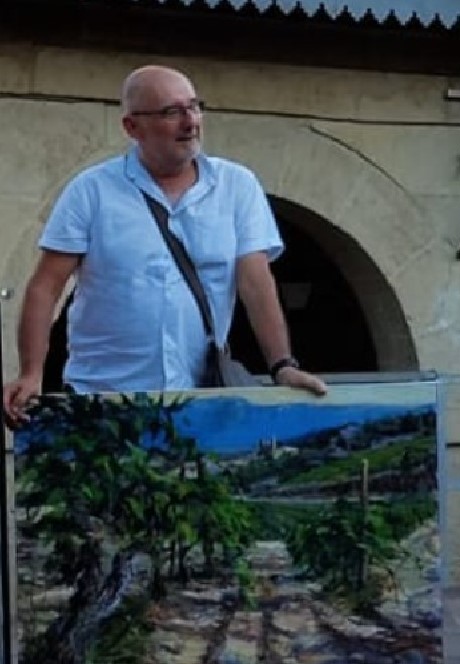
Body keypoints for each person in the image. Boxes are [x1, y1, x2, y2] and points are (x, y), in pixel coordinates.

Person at [3, 65, 326, 425]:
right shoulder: (91, 191)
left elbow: (256, 282)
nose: (190, 122)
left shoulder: (237, 186)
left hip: (199, 401)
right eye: (172, 112)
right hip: (104, 401)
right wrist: (32, 373)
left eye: (194, 107)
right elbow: (45, 287)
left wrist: (282, 365)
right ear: (132, 127)